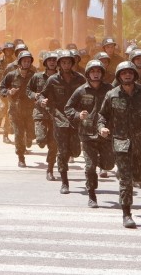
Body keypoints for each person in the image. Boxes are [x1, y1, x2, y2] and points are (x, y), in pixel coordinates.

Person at [98, 61, 141, 228]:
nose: (127, 75)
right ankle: (126, 213)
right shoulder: (112, 95)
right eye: (123, 73)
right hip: (121, 141)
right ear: (119, 76)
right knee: (126, 179)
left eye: (130, 72)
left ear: (135, 75)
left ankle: (130, 175)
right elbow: (102, 115)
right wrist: (102, 127)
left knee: (139, 175)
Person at [65, 60, 114, 208]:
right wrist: (78, 115)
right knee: (90, 167)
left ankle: (98, 161)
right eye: (93, 71)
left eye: (98, 71)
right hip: (87, 134)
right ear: (88, 73)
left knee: (109, 164)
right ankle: (92, 194)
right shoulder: (81, 90)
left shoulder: (110, 90)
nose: (96, 74)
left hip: (106, 134)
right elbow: (68, 108)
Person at [38, 49, 86, 194]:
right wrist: (42, 100)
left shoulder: (80, 79)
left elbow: (88, 94)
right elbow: (42, 95)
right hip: (59, 117)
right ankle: (64, 182)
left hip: (75, 118)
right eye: (63, 62)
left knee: (76, 151)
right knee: (62, 151)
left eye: (68, 62)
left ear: (72, 63)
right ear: (59, 64)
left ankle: (67, 160)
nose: (66, 65)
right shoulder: (53, 80)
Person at [0, 51, 37, 168]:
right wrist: (8, 92)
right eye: (24, 61)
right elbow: (1, 87)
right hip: (16, 109)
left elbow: (41, 87)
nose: (26, 63)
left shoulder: (34, 76)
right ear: (20, 62)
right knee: (19, 134)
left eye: (28, 61)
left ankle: (29, 139)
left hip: (30, 109)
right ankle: (21, 157)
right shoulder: (11, 75)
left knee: (31, 133)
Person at [26, 51, 59, 181]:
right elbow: (29, 90)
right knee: (40, 140)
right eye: (49, 60)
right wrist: (36, 96)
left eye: (54, 60)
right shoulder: (37, 76)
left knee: (53, 144)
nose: (52, 62)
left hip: (55, 115)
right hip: (40, 113)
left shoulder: (60, 77)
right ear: (45, 62)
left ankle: (50, 169)